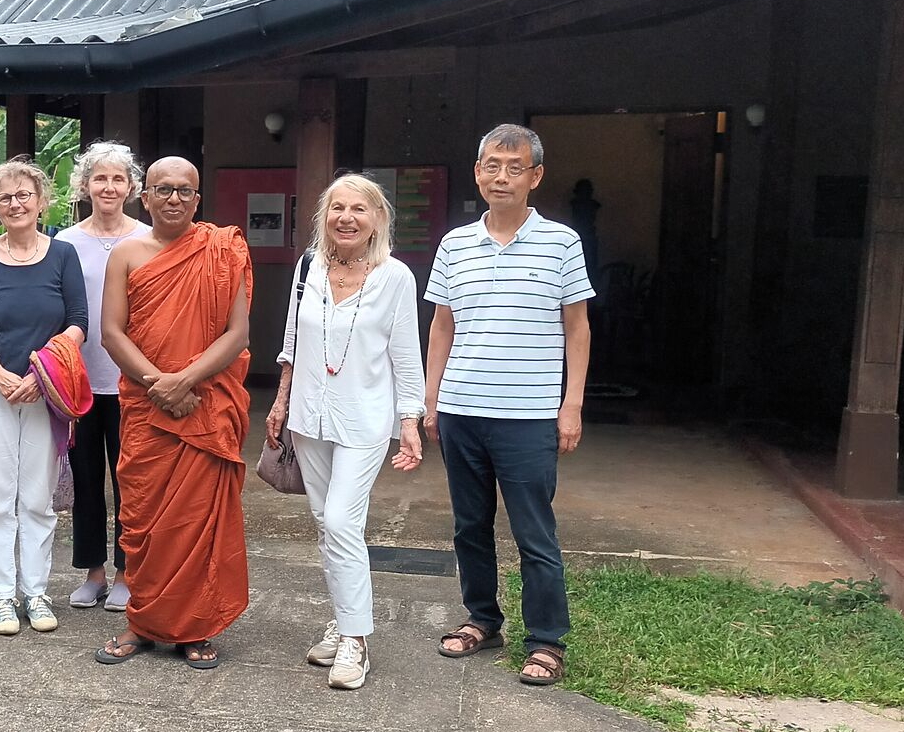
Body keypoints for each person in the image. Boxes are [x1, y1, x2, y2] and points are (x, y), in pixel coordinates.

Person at [424, 125, 593, 687]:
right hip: (462, 411)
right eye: (491, 165)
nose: (501, 176)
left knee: (533, 532)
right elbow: (442, 328)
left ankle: (546, 640)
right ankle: (482, 620)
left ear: (535, 176)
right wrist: (430, 399)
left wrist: (571, 405)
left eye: (513, 167)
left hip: (529, 415)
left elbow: (577, 328)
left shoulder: (562, 243)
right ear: (478, 171)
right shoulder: (454, 244)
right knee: (470, 526)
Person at [265, 175, 425, 690]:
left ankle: (356, 640)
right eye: (338, 208)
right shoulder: (308, 266)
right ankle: (343, 617)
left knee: (339, 519)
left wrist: (411, 421)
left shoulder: (395, 276)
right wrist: (280, 398)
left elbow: (405, 352)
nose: (347, 218)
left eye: (359, 209)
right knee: (325, 522)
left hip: (365, 418)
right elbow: (291, 338)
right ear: (324, 216)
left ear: (377, 218)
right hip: (309, 417)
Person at [95, 156, 252, 670]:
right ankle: (142, 622)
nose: (174, 199)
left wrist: (185, 381)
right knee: (144, 518)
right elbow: (112, 332)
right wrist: (158, 384)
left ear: (198, 199)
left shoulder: (223, 250)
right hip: (147, 407)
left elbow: (237, 334)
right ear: (146, 196)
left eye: (185, 191)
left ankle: (195, 627)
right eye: (164, 189)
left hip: (204, 404)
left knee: (196, 522)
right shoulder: (126, 254)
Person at [0, 160, 87, 637]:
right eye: (5, 197)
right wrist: (2, 375)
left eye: (24, 195)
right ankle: (2, 597)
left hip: (45, 394)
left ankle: (36, 591)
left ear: (42, 201)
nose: (15, 204)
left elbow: (78, 323)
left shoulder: (63, 255)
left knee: (37, 500)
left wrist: (38, 373)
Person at [55, 142, 151, 611]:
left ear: (132, 187)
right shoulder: (65, 242)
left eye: (118, 179)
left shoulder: (151, 238)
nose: (109, 187)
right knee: (87, 478)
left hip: (135, 381)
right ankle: (92, 572)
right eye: (100, 178)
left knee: (130, 481)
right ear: (85, 185)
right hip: (81, 382)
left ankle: (126, 572)